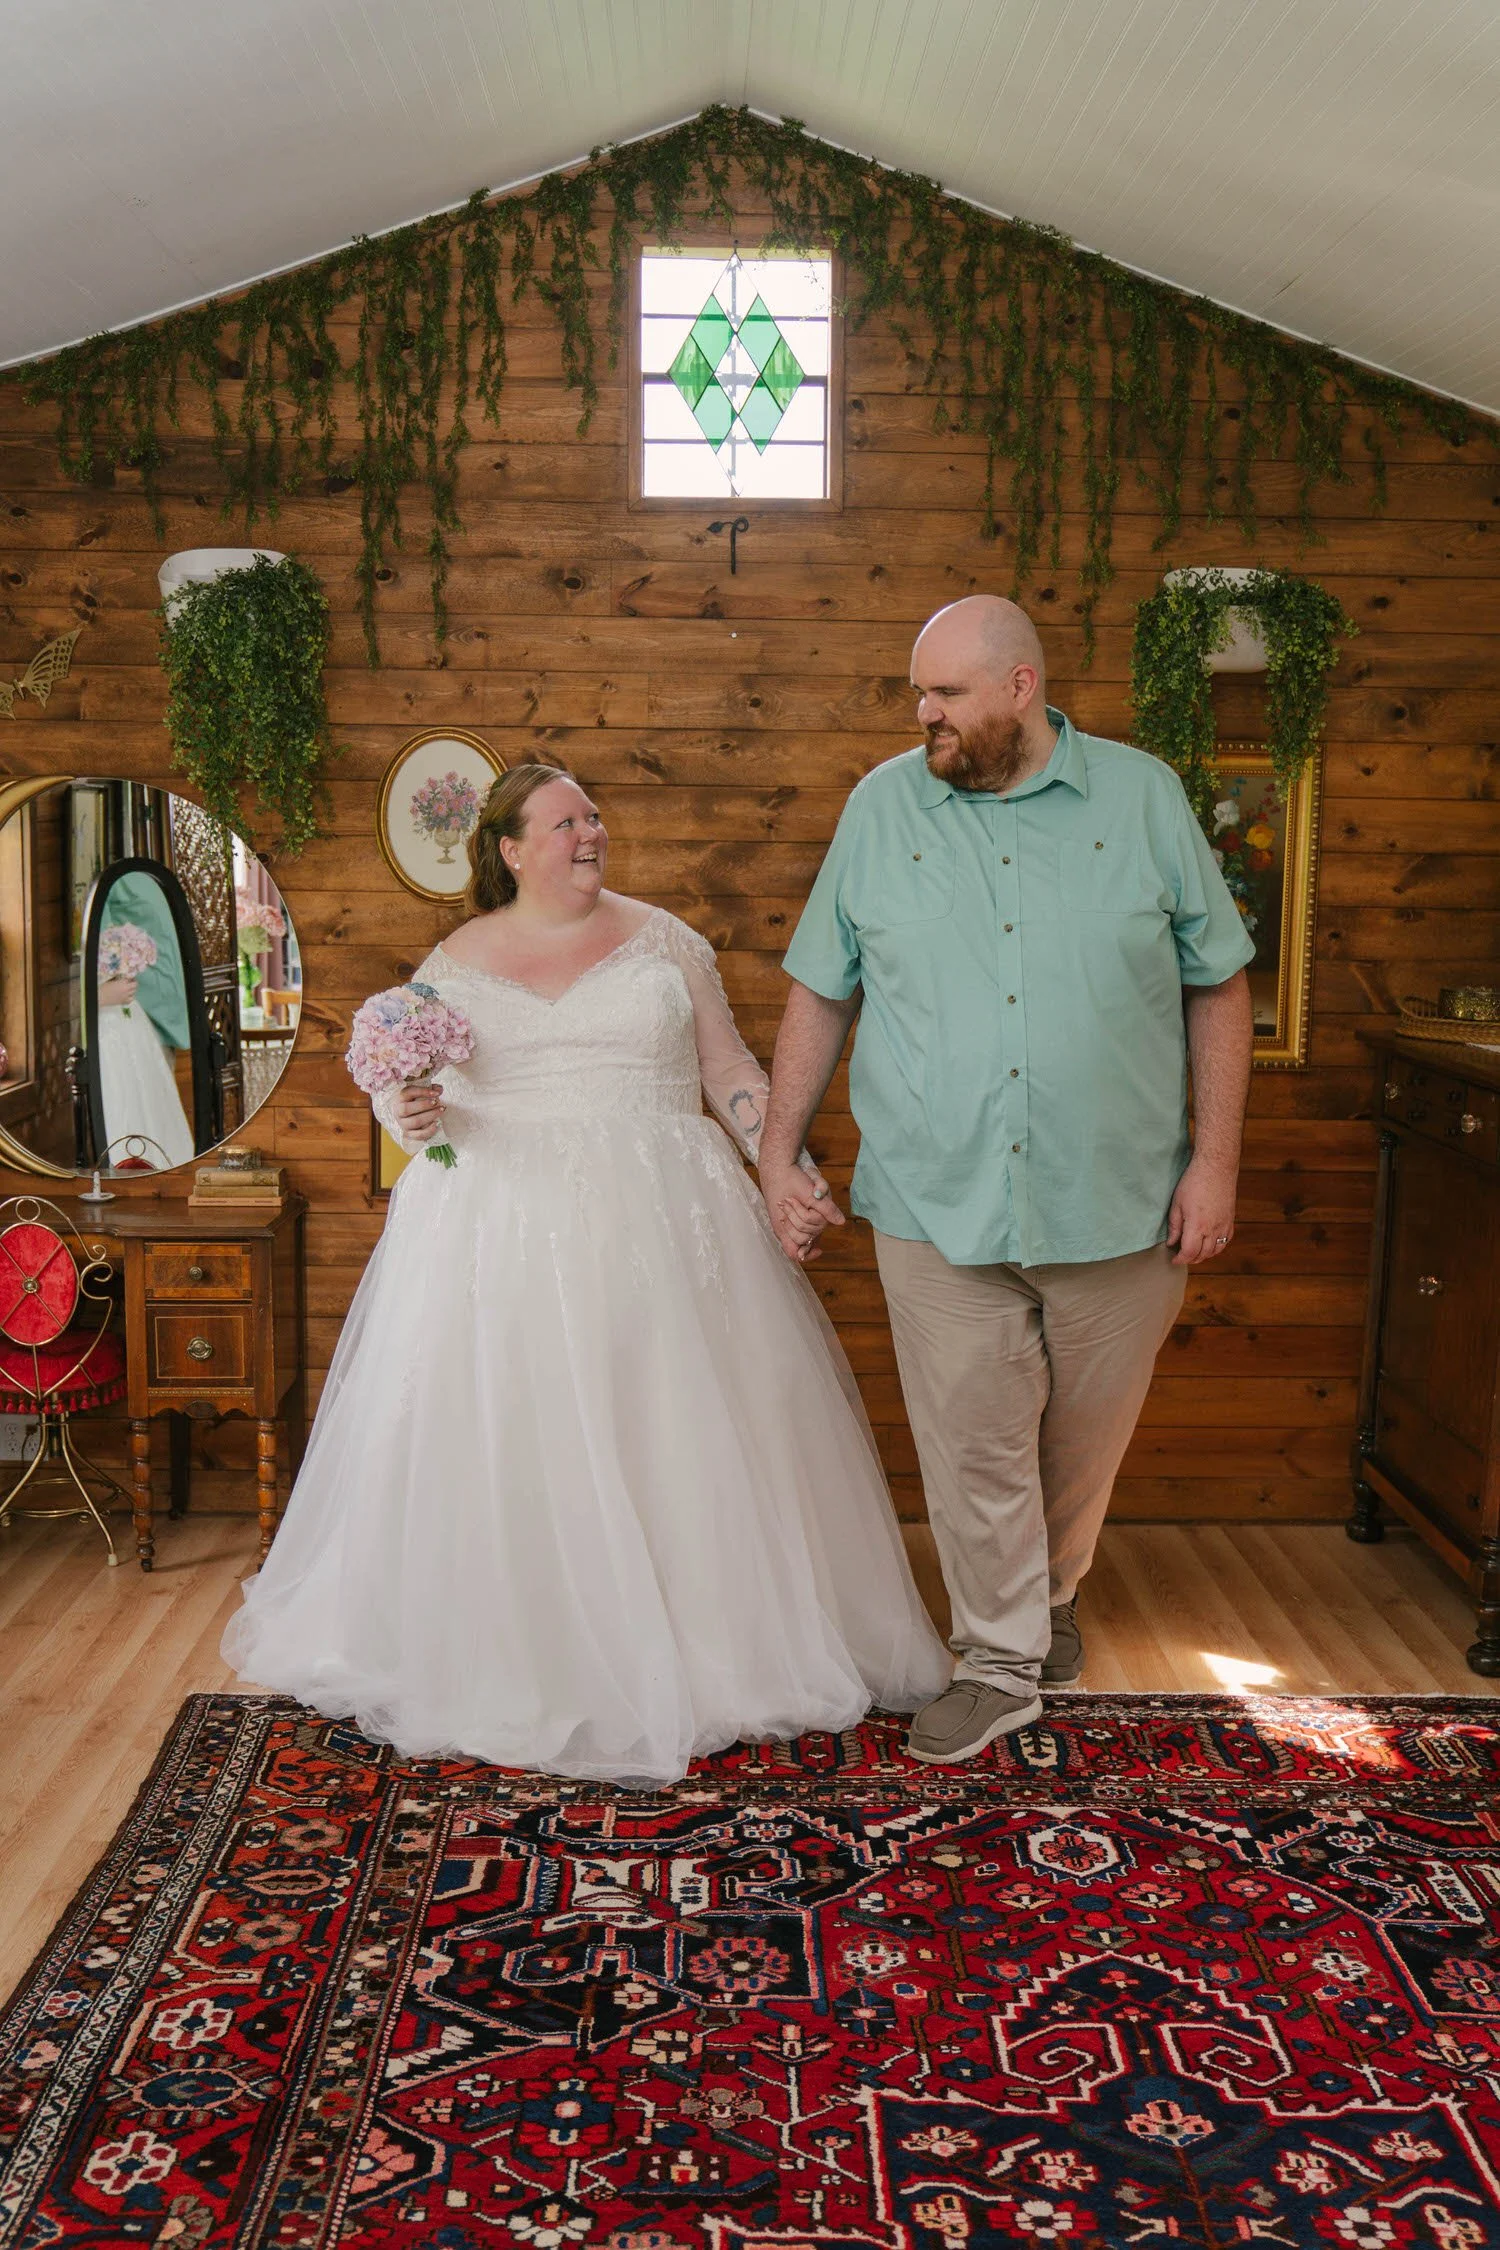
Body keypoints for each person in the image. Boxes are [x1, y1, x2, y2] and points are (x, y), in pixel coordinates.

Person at [223, 763, 948, 1784]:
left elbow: (730, 1071)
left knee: (672, 1431)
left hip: (664, 1221)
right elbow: (408, 1099)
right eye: (566, 823)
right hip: (500, 1228)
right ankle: (524, 1649)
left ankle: (707, 1646)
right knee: (517, 1436)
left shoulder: (664, 942)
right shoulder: (453, 959)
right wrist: (404, 1114)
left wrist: (780, 1164)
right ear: (512, 849)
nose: (591, 834)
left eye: (595, 817)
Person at [757, 596, 1256, 1765]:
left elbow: (1218, 983)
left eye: (948, 694)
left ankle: (1049, 1593)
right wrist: (779, 1149)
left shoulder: (1143, 799)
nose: (924, 714)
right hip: (936, 1200)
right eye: (917, 694)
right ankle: (995, 1660)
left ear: (1023, 687)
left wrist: (1218, 1163)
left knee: (1080, 1446)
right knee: (973, 1441)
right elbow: (823, 988)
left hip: (1122, 1198)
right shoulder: (883, 806)